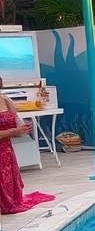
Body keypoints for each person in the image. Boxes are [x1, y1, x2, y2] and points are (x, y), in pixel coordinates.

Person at [0, 78, 55, 214]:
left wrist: (22, 128)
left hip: (7, 149)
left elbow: (15, 126)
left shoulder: (6, 101)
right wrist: (15, 131)